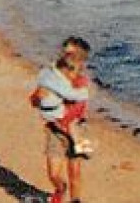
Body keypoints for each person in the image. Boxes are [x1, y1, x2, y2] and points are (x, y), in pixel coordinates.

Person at [31, 37, 93, 203]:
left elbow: (78, 109)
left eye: (69, 53)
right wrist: (38, 98)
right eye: (64, 52)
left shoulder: (82, 81)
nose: (64, 56)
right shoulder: (52, 77)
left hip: (78, 129)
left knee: (75, 172)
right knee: (53, 173)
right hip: (55, 130)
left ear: (80, 58)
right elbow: (34, 101)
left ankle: (75, 202)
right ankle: (60, 188)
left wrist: (70, 130)